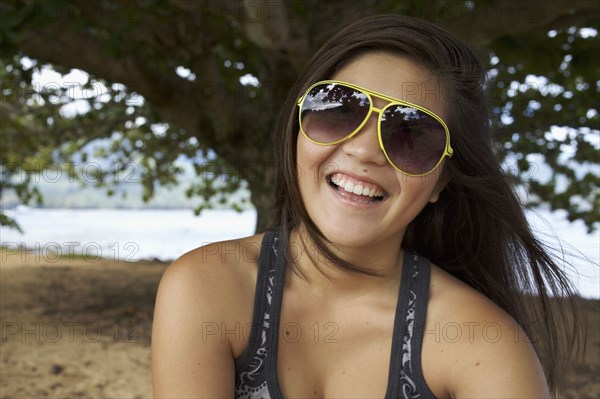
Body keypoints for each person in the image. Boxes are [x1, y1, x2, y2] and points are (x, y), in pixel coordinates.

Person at [151, 14, 581, 398]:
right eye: (338, 110)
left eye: (410, 134)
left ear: (440, 182)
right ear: (297, 126)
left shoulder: (486, 346)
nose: (363, 150)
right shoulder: (206, 288)